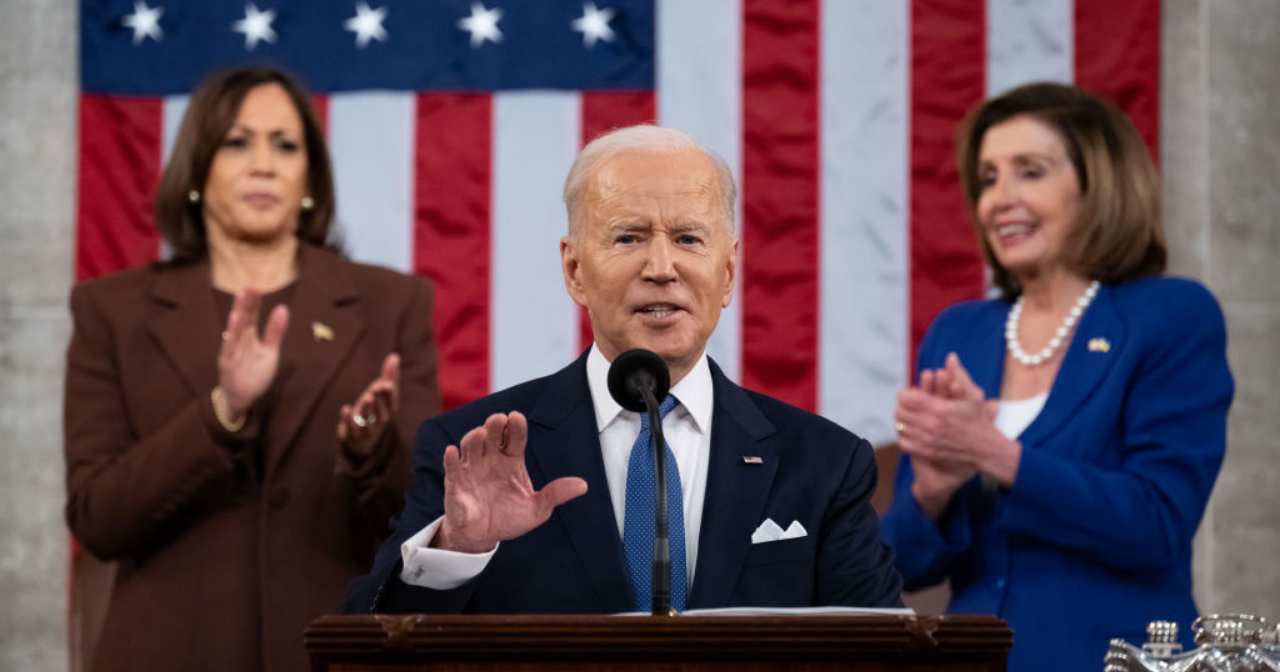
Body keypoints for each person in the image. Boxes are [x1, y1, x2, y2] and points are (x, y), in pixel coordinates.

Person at [342, 125, 903, 615]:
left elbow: (888, 658)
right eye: (628, 237)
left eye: (687, 239)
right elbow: (373, 646)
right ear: (575, 269)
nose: (661, 268)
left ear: (728, 272)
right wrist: (457, 551)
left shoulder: (825, 465)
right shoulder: (477, 451)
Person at [63, 66, 441, 672]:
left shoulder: (392, 304)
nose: (263, 164)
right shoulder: (111, 310)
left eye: (285, 145)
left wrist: (373, 450)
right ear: (197, 168)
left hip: (336, 653)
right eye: (238, 141)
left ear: (309, 177)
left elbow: (428, 523)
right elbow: (98, 519)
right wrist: (223, 413)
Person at [879, 82, 1233, 672]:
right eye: (989, 178)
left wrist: (997, 454)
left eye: (1030, 172)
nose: (1000, 198)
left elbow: (1158, 524)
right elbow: (902, 569)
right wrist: (933, 491)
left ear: (1099, 186)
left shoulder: (1170, 315)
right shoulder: (959, 332)